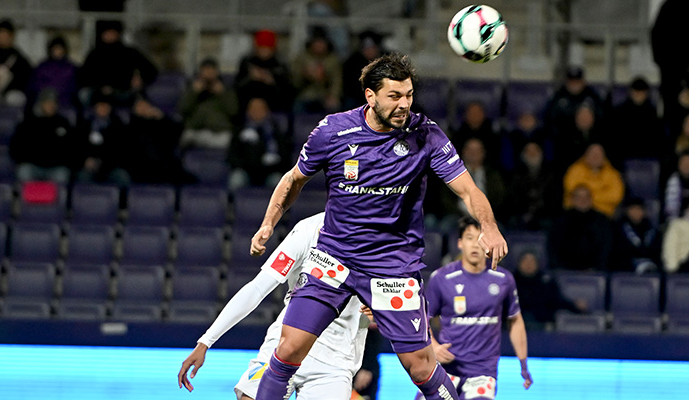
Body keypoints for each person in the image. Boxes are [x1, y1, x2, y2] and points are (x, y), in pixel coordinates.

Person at [248, 53, 507, 400]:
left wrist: (488, 226)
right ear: (370, 96)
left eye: (409, 95)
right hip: (334, 260)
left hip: (392, 267)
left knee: (421, 368)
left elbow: (468, 189)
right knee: (288, 348)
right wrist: (268, 223)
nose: (404, 105)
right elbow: (293, 180)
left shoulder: (425, 134)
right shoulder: (334, 131)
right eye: (394, 96)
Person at [178, 213, 371, 400]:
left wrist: (381, 307)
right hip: (283, 343)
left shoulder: (385, 240)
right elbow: (257, 288)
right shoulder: (309, 229)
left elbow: (392, 297)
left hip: (334, 361)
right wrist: (205, 342)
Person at [418, 216, 532, 399]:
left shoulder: (504, 280)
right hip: (446, 370)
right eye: (470, 238)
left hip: (483, 372)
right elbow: (422, 319)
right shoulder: (441, 278)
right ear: (460, 243)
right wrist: (434, 347)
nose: (475, 244)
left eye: (481, 239)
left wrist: (523, 365)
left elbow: (515, 321)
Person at [77, 20, 157, 107]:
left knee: (137, 97)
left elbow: (151, 70)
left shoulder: (129, 52)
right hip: (99, 94)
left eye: (112, 32)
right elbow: (83, 76)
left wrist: (141, 78)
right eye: (107, 32)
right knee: (84, 94)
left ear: (118, 33)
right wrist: (100, 87)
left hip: (123, 92)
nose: (110, 35)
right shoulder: (94, 54)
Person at [179, 58, 238, 151]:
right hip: (196, 131)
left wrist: (223, 94)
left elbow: (234, 111)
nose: (208, 76)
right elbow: (183, 109)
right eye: (205, 72)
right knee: (184, 137)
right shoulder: (192, 89)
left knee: (227, 139)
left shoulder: (227, 90)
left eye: (211, 72)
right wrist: (193, 93)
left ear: (217, 73)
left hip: (219, 133)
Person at [0, 19, 32, 109]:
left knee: (14, 98)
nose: (1, 37)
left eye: (5, 34)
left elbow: (24, 80)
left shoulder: (18, 58)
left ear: (11, 36)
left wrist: (4, 87)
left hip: (8, 96)